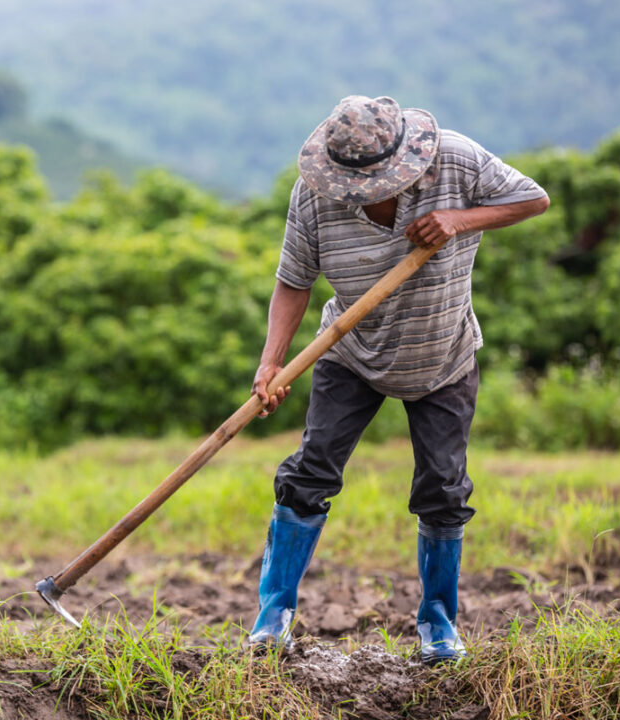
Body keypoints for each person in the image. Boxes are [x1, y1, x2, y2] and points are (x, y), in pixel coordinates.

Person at [248, 95, 550, 664]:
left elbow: (533, 199)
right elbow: (294, 280)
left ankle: (438, 625)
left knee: (442, 488)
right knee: (310, 473)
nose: (362, 194)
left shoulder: (456, 160)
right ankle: (273, 617)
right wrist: (271, 363)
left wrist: (459, 220)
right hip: (350, 350)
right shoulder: (315, 195)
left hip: (443, 355)